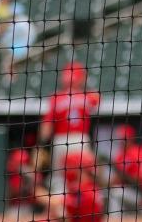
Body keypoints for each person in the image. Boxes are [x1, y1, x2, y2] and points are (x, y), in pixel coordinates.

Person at [39, 62, 100, 190]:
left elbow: (46, 127)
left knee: (59, 178)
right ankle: (83, 204)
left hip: (61, 141)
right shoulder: (88, 96)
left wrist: (41, 145)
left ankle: (60, 205)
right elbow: (97, 98)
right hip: (80, 140)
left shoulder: (56, 97)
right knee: (84, 175)